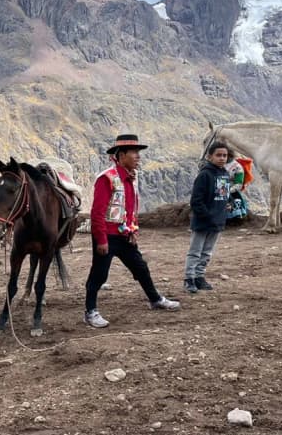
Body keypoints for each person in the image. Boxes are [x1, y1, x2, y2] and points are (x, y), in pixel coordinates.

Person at [84, 134, 180, 328]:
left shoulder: (131, 178)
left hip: (124, 235)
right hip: (108, 236)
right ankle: (90, 311)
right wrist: (101, 239)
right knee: (99, 274)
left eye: (138, 152)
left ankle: (155, 299)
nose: (138, 156)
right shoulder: (106, 179)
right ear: (121, 155)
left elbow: (130, 208)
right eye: (134, 152)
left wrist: (132, 231)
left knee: (140, 268)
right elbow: (97, 213)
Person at [184, 142, 231, 293]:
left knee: (207, 252)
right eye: (218, 155)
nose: (222, 158)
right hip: (203, 222)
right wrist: (207, 215)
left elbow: (222, 195)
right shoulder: (204, 175)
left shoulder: (224, 174)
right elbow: (196, 201)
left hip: (217, 221)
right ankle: (189, 279)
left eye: (225, 155)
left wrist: (226, 205)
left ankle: (199, 277)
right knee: (195, 251)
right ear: (210, 156)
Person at [224, 150, 252, 225]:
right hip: (217, 189)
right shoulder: (217, 164)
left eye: (224, 155)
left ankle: (234, 219)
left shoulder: (237, 167)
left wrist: (228, 191)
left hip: (231, 191)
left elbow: (239, 183)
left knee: (234, 202)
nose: (222, 158)